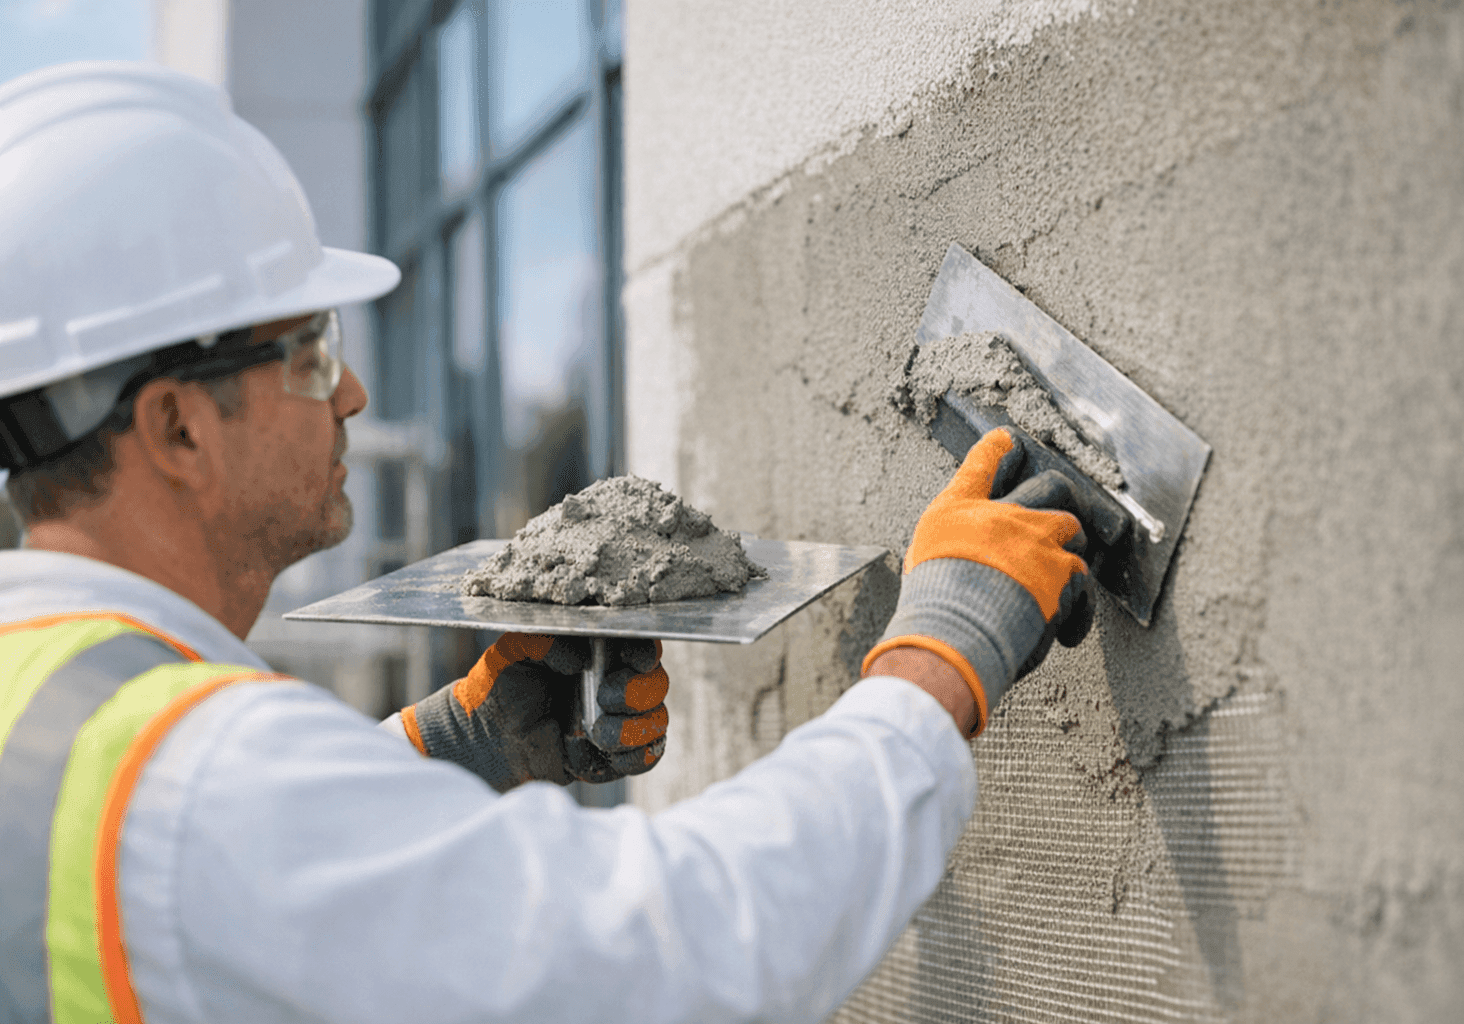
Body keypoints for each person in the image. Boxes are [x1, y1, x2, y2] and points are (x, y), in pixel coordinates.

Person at [0, 62, 1110, 1024]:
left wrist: (447, 744)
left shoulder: (46, 698)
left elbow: (179, 885)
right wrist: (937, 659)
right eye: (304, 352)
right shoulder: (202, 776)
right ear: (176, 426)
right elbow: (678, 959)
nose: (349, 391)